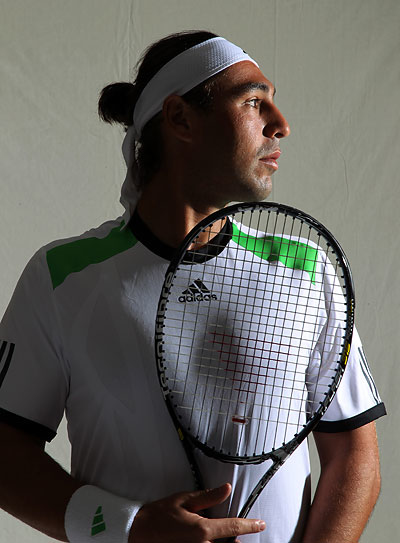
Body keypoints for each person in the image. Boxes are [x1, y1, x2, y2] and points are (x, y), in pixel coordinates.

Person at [0, 30, 385, 543]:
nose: (281, 124)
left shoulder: (306, 267)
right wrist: (128, 527)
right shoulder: (61, 275)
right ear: (180, 118)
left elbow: (355, 456)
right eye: (253, 101)